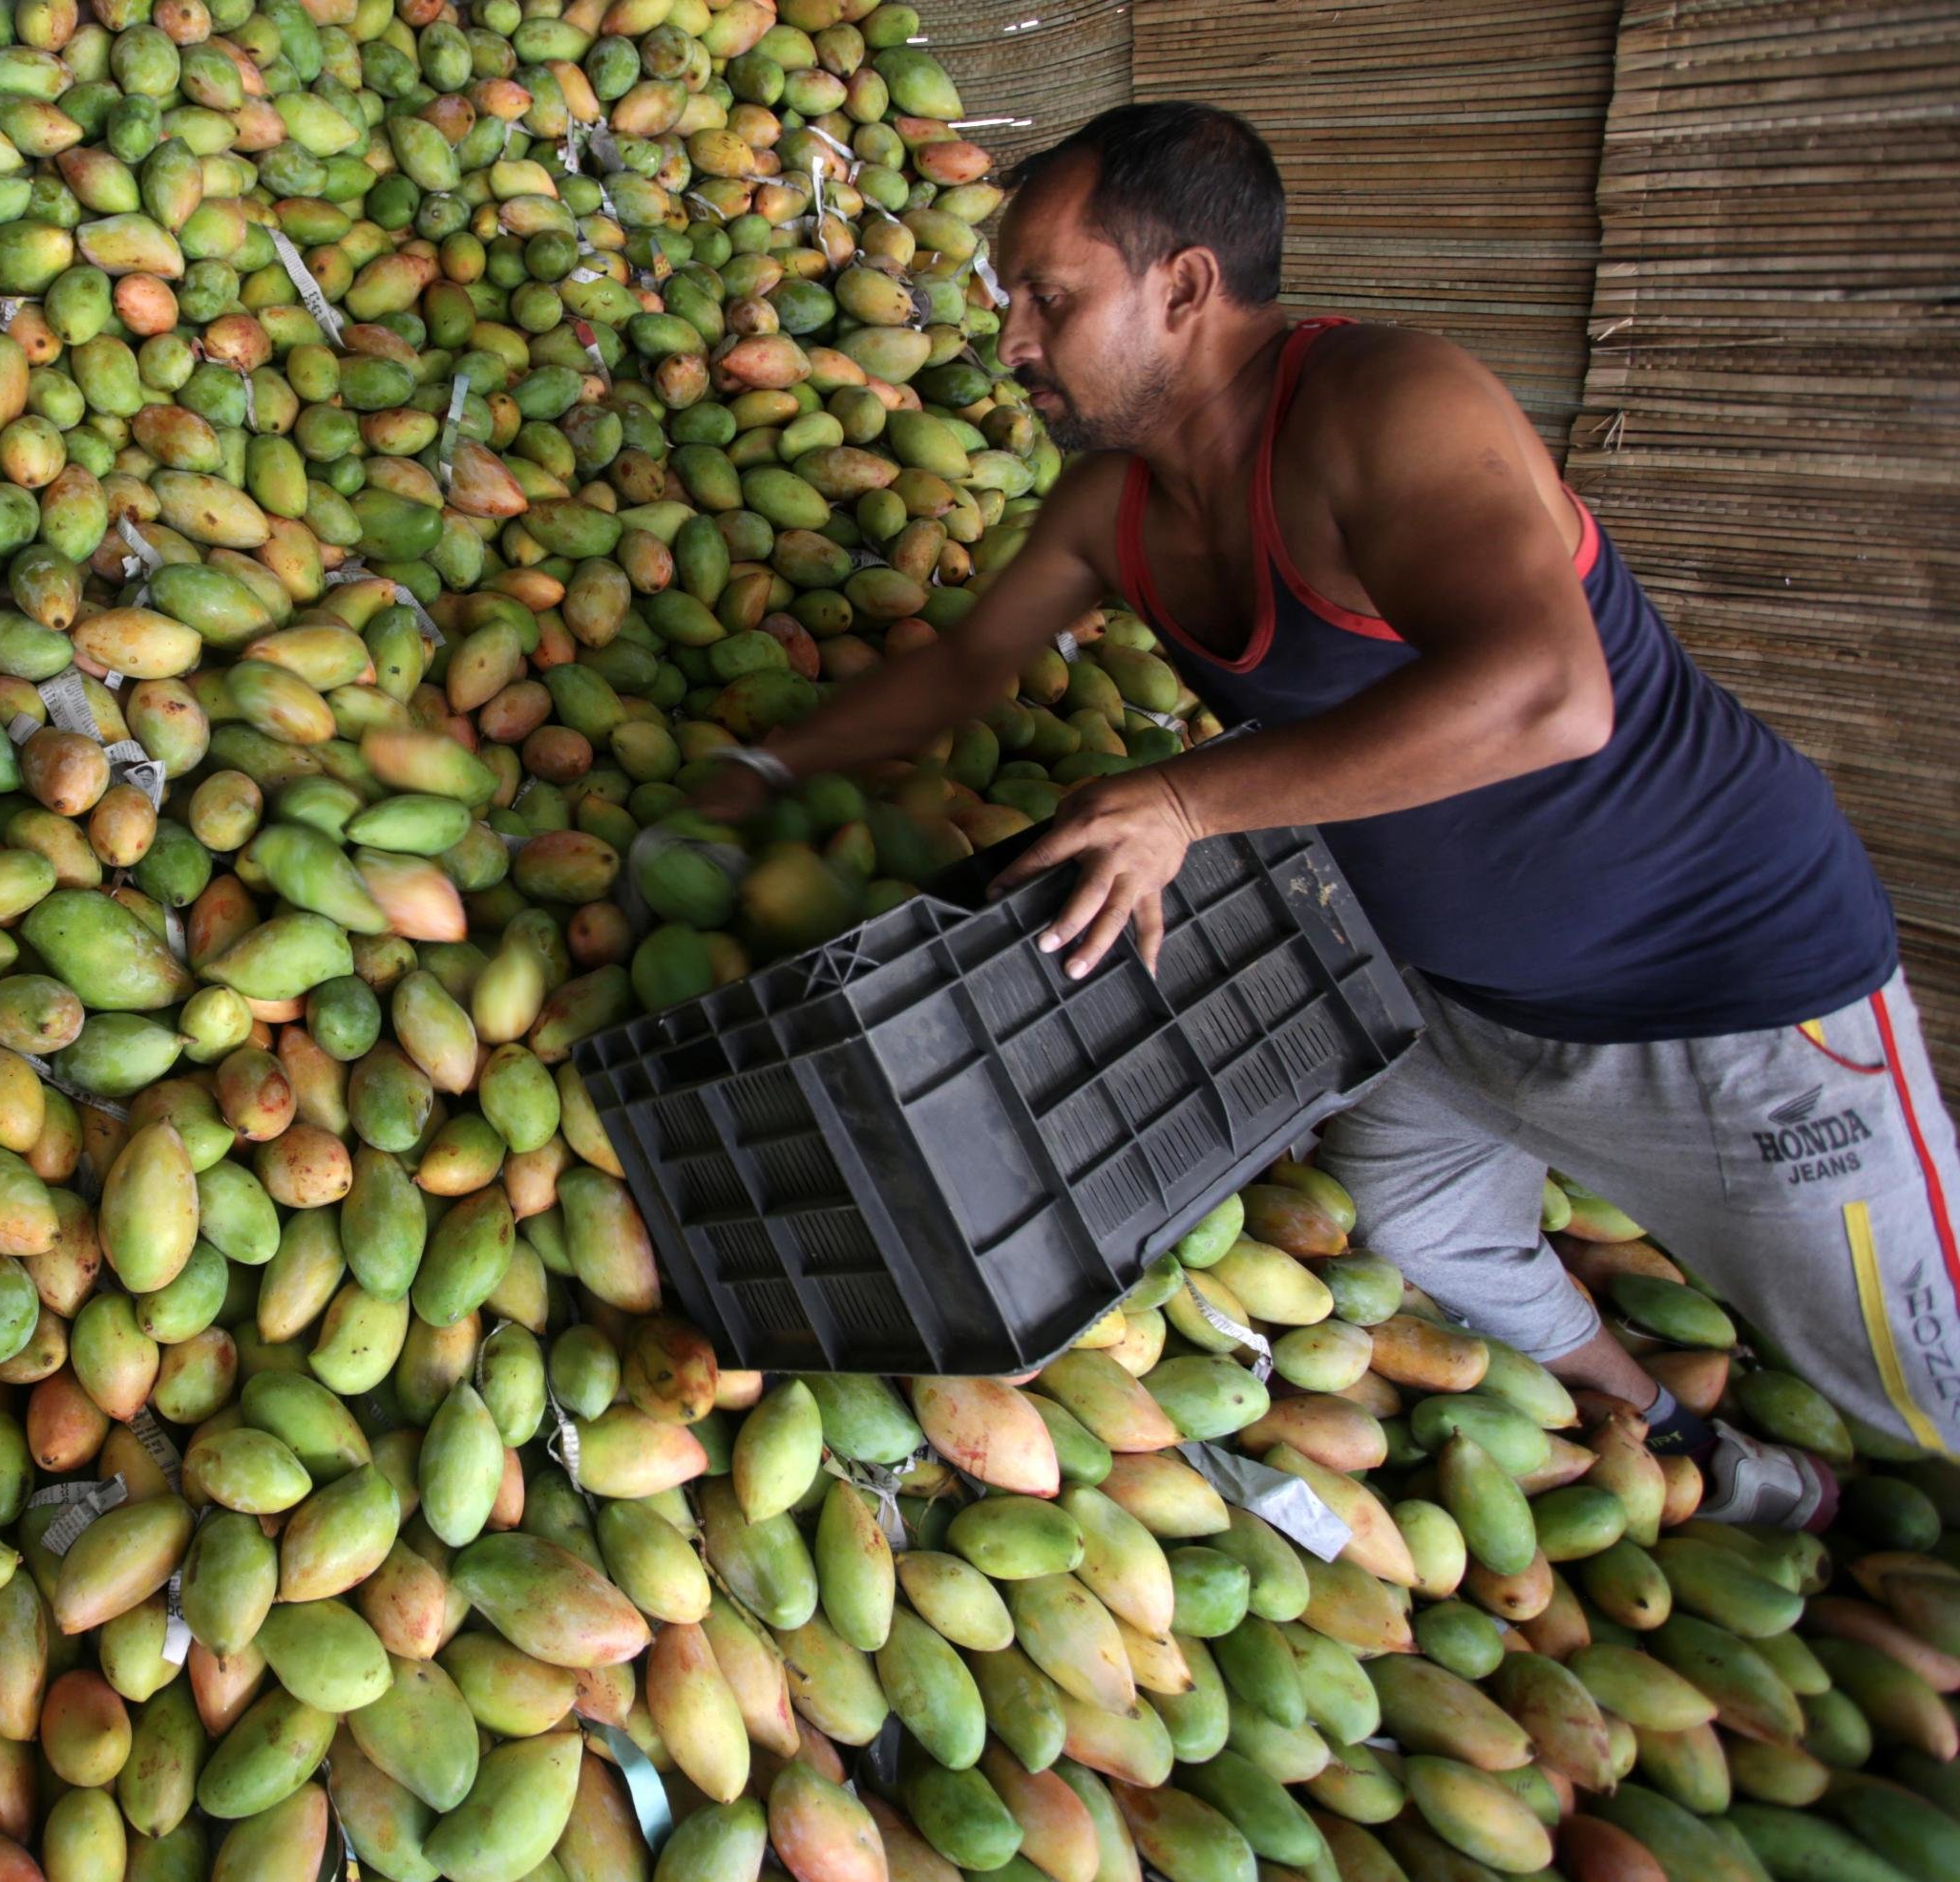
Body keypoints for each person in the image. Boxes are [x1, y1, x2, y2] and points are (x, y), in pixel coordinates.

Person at [692, 100, 1960, 1525]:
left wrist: (1183, 800)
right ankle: (1676, 1431)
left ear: (1184, 286)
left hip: (1722, 997)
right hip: (1461, 1003)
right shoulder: (1114, 504)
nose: (1013, 341)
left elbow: (1553, 694)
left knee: (1922, 1375)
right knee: (1420, 1221)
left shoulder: (1390, 405)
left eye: (1049, 298)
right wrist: (764, 775)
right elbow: (965, 669)